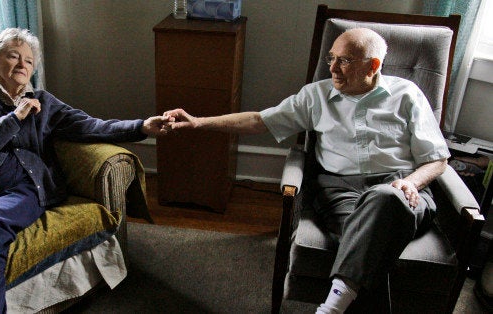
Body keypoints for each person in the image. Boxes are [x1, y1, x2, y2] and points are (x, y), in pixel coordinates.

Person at [164, 28, 449, 313]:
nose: (333, 69)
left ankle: (332, 307)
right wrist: (199, 122)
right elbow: (259, 121)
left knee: (384, 203)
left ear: (373, 65)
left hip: (401, 190)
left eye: (345, 60)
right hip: (341, 190)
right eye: (331, 58)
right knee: (372, 244)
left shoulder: (407, 94)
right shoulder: (316, 96)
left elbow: (437, 158)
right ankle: (335, 305)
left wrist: (411, 182)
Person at [0, 28, 169, 313]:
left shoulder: (45, 103)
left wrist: (140, 127)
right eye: (13, 56)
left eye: (29, 60)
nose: (23, 64)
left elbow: (91, 126)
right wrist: (15, 116)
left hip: (25, 188)